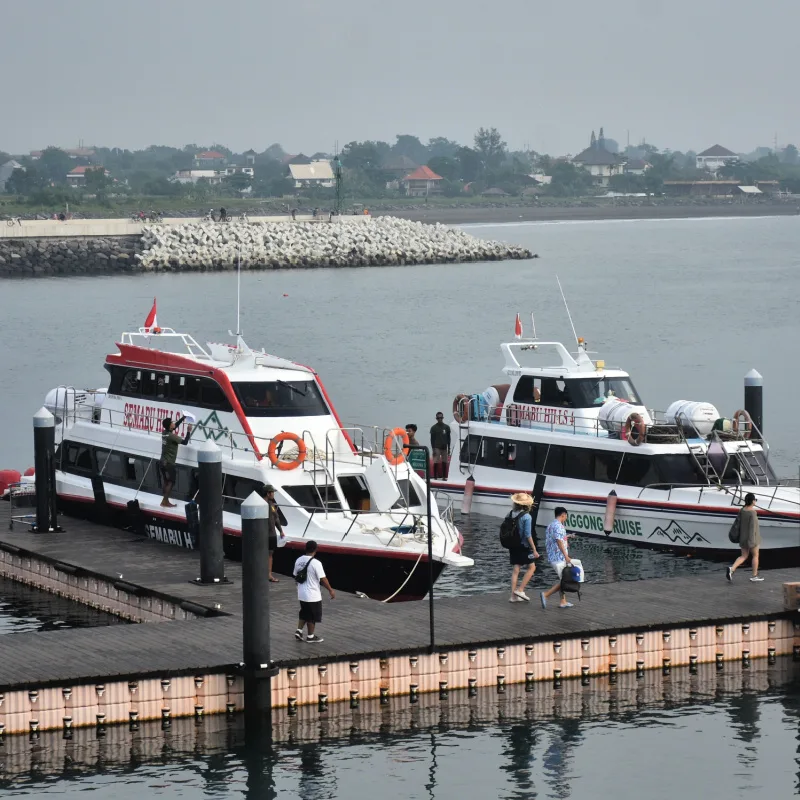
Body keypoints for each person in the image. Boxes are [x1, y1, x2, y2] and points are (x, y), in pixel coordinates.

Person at [293, 540, 335, 643]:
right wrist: (330, 590)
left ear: (305, 548)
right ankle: (310, 637)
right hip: (312, 594)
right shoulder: (316, 563)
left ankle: (299, 631)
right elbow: (323, 579)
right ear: (315, 550)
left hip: (301, 593)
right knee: (312, 616)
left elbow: (295, 574)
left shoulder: (298, 560)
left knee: (304, 612)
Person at [508, 493, 540, 602]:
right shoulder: (527, 516)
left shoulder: (511, 513)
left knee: (516, 569)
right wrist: (534, 549)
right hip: (523, 546)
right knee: (532, 567)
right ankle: (520, 590)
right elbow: (528, 534)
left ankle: (513, 596)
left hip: (512, 545)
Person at [540, 507, 573, 609]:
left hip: (552, 556)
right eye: (566, 516)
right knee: (565, 580)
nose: (566, 518)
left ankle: (563, 601)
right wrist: (566, 556)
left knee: (562, 578)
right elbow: (558, 541)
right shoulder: (559, 526)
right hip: (559, 557)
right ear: (563, 515)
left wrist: (566, 538)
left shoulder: (550, 525)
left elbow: (554, 539)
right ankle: (546, 595)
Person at [727, 493, 763, 582]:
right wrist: (752, 542)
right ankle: (754, 576)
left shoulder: (742, 510)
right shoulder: (753, 513)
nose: (755, 501)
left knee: (743, 556)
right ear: (752, 501)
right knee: (755, 556)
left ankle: (732, 569)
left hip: (743, 538)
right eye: (755, 500)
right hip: (752, 538)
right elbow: (753, 528)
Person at [160, 417, 193, 507]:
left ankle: (164, 499)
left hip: (162, 461)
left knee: (166, 481)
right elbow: (185, 442)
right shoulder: (172, 436)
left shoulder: (164, 433)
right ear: (170, 426)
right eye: (172, 423)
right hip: (169, 463)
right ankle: (165, 501)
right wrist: (189, 431)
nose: (174, 423)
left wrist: (183, 418)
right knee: (172, 482)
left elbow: (174, 427)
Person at [258, 483, 287, 582]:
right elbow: (276, 519)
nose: (273, 494)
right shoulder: (270, 505)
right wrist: (281, 531)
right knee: (269, 555)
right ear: (268, 493)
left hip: (263, 534)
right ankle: (268, 575)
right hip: (269, 534)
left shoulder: (262, 504)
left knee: (264, 554)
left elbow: (276, 519)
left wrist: (280, 531)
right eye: (272, 492)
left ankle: (263, 573)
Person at [429, 412, 451, 480]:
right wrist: (433, 449)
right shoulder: (433, 428)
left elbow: (448, 438)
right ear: (436, 419)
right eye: (438, 418)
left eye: (441, 418)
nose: (440, 419)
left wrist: (449, 448)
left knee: (445, 462)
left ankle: (444, 477)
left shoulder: (446, 427)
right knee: (436, 462)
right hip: (436, 447)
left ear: (443, 418)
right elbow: (432, 439)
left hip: (444, 447)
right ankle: (435, 476)